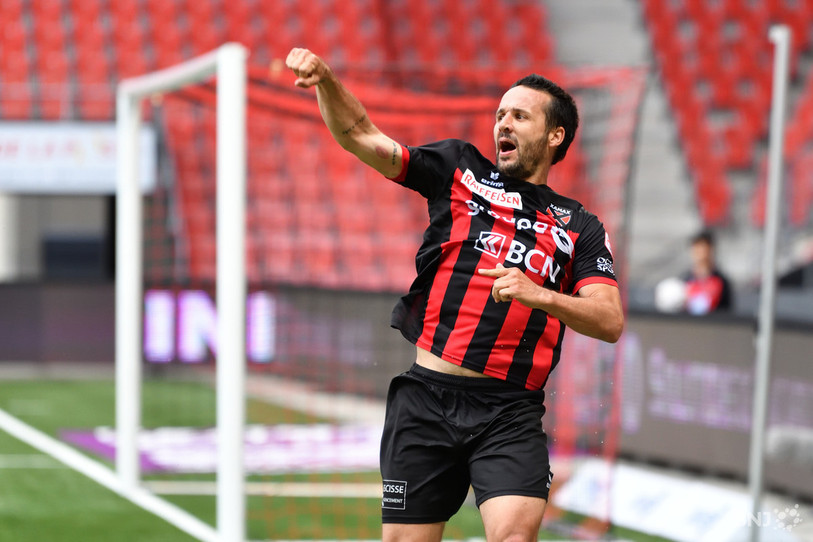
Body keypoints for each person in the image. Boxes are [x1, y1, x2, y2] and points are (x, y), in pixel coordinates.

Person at [285, 48, 624, 542]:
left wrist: (541, 295)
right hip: (426, 400)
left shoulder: (579, 226)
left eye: (520, 116)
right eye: (500, 115)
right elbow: (359, 134)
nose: (503, 123)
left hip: (510, 411)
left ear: (555, 136)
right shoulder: (459, 170)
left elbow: (609, 320)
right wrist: (327, 82)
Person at [683, 229, 733, 314]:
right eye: (697, 247)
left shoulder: (721, 282)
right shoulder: (686, 281)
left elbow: (726, 313)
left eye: (704, 248)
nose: (700, 252)